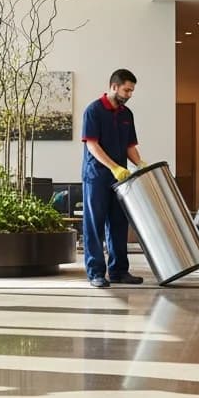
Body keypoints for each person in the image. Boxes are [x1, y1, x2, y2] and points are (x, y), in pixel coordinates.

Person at [80, 69, 146, 288]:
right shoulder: (94, 110)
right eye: (127, 89)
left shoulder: (127, 114)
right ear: (114, 86)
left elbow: (130, 146)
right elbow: (92, 144)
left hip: (121, 179)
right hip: (96, 177)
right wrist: (114, 167)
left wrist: (141, 164)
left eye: (132, 91)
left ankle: (119, 271)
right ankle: (96, 273)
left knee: (119, 223)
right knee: (95, 224)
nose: (129, 94)